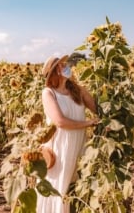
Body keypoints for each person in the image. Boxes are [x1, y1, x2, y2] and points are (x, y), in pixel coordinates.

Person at [37, 54, 98, 213]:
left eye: (64, 64)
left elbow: (96, 109)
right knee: (59, 185)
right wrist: (88, 123)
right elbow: (60, 122)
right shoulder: (48, 93)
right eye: (60, 65)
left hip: (78, 143)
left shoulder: (75, 90)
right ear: (54, 72)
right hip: (60, 146)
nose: (65, 67)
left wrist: (83, 90)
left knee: (77, 185)